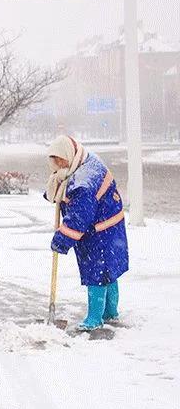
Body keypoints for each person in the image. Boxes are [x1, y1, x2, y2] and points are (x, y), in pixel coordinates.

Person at [46, 136, 128, 331]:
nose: (58, 166)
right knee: (108, 271)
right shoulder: (84, 161)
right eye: (55, 162)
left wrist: (60, 240)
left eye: (61, 161)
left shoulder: (84, 181)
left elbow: (78, 218)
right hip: (108, 230)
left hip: (100, 232)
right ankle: (110, 312)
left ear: (69, 155)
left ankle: (94, 319)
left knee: (97, 273)